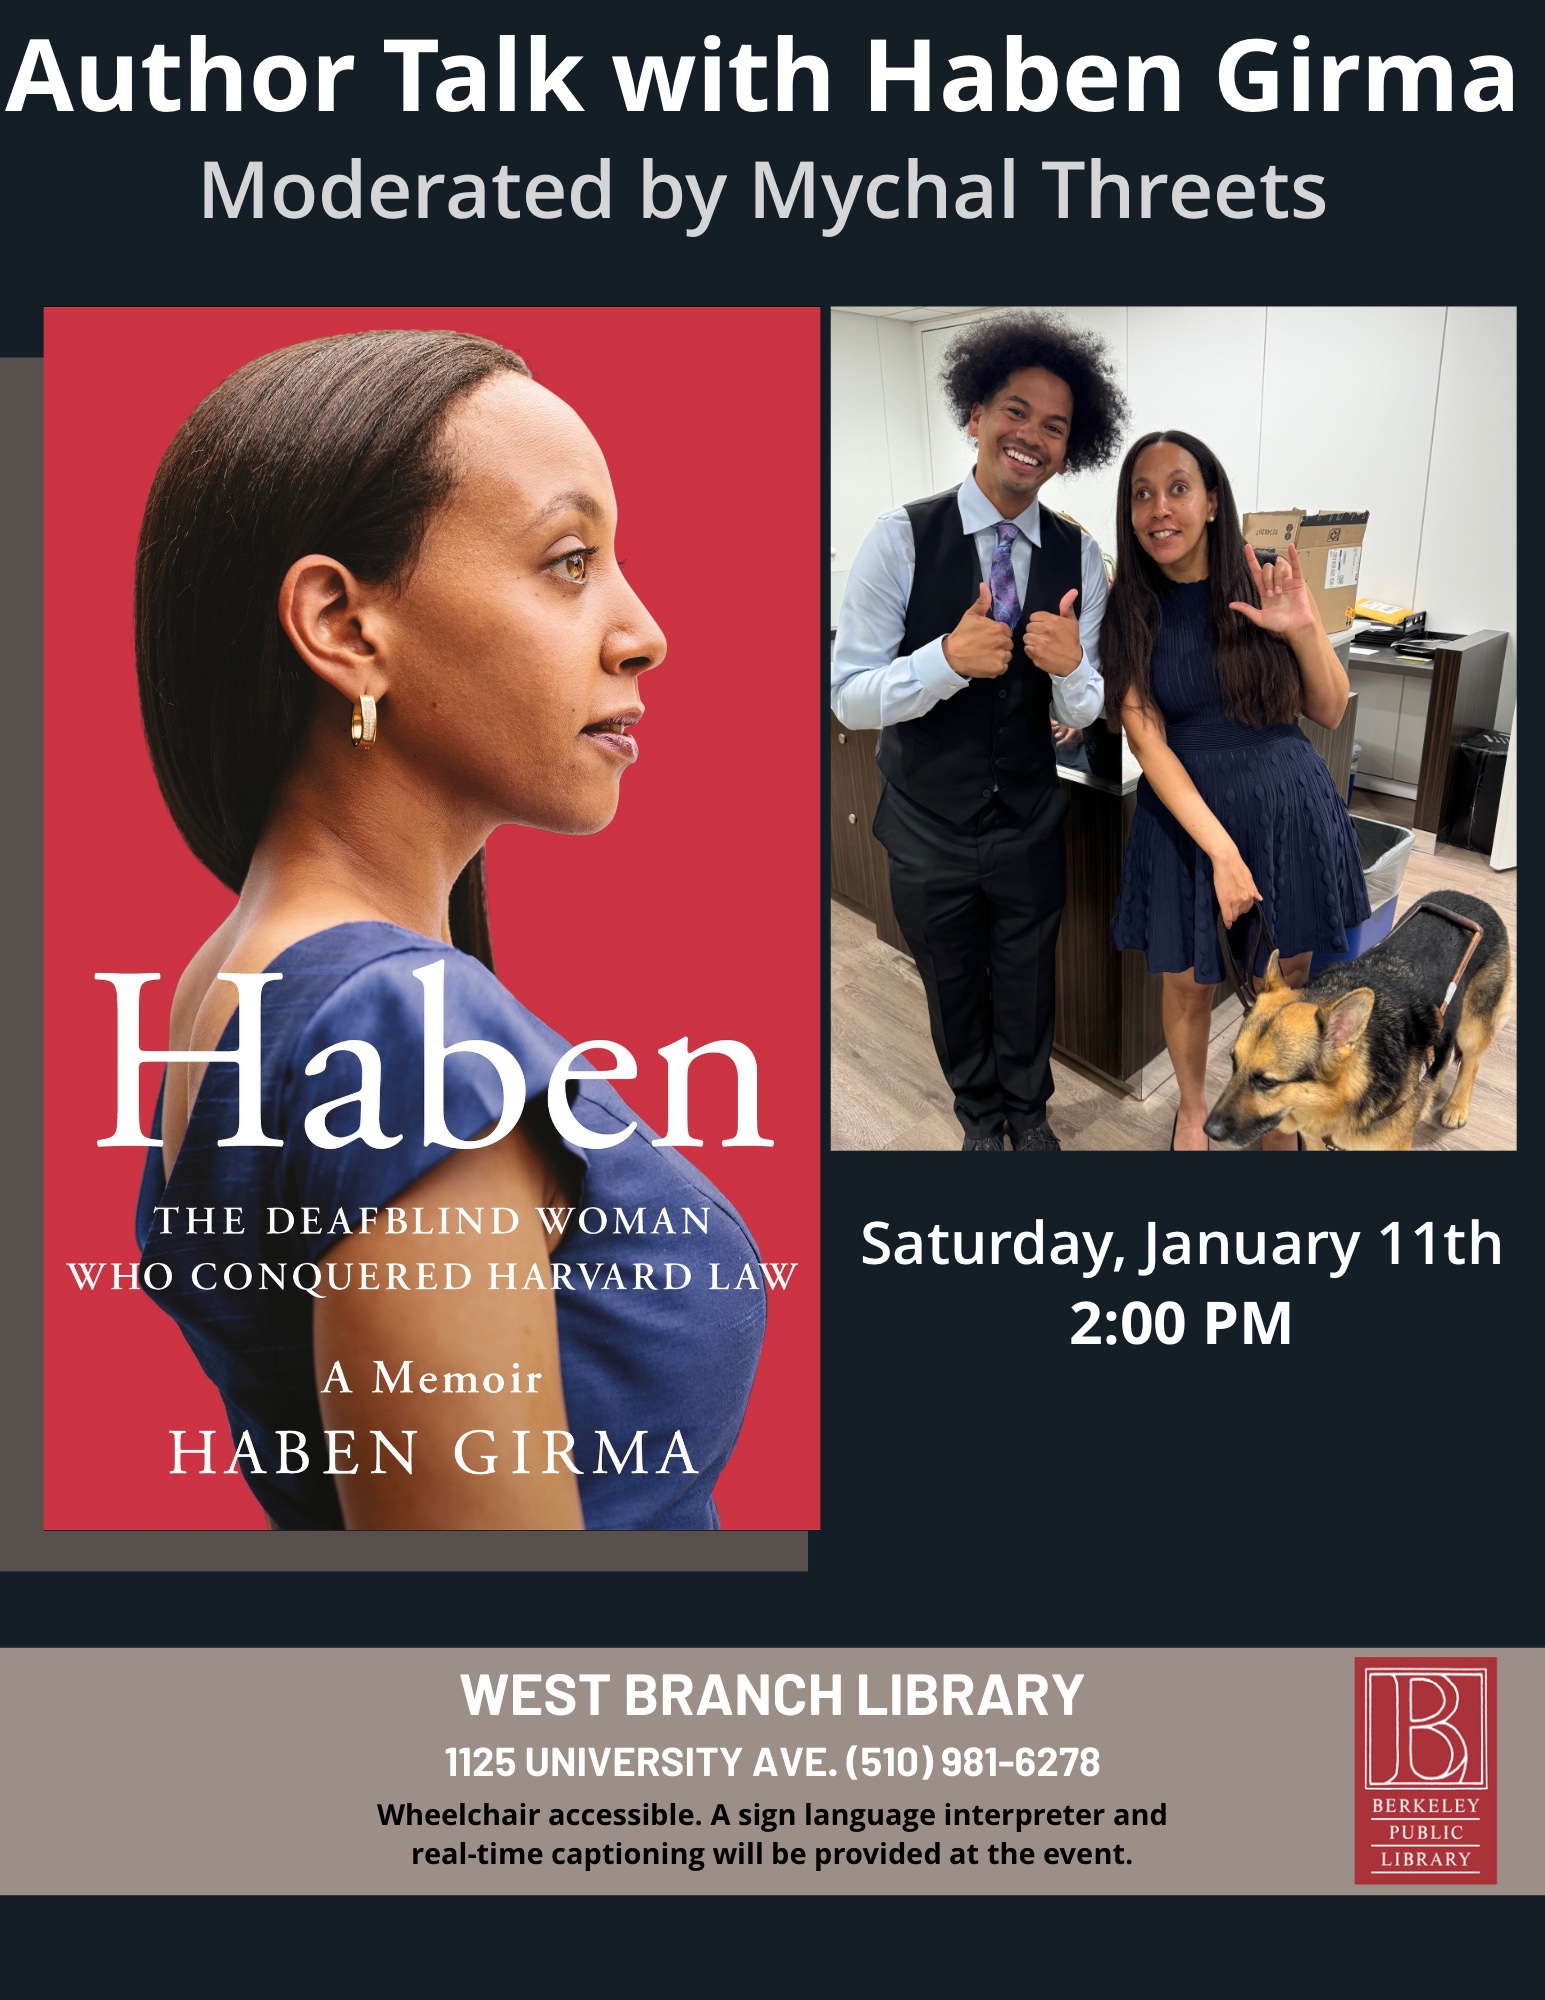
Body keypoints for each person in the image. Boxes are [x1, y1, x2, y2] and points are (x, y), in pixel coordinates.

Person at [132, 328, 765, 1528]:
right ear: (344, 626)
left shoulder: (234, 975)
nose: (643, 633)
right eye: (571, 560)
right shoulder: (399, 1032)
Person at [831, 312, 1128, 1151]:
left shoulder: (1080, 557)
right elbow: (846, 697)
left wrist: (1071, 668)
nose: (1030, 435)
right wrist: (944, 661)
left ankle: (1027, 1118)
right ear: (975, 414)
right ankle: (977, 1118)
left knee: (1028, 982)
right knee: (952, 985)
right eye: (1013, 409)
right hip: (925, 825)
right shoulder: (899, 538)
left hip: (1029, 820)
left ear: (1071, 449)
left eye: (1054, 425)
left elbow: (1081, 711)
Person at [1104, 430, 1370, 1151]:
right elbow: (1145, 740)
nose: (1160, 507)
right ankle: (1192, 1109)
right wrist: (1221, 853)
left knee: (1289, 973)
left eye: (1178, 487)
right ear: (1129, 514)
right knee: (1190, 981)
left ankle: (1277, 1113)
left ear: (1212, 500)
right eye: (1142, 493)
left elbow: (1328, 708)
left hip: (1288, 803)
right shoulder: (1129, 608)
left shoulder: (1263, 579)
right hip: (1189, 815)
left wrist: (1304, 629)